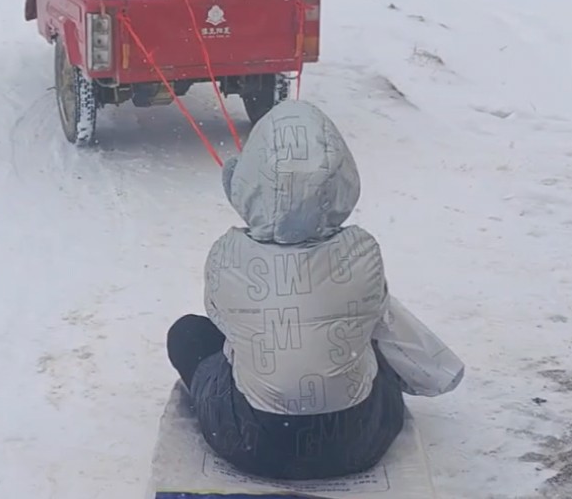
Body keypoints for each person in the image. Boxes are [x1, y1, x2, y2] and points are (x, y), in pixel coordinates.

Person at [166, 99, 464, 480]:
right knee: (365, 336)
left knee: (189, 334)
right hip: (357, 441)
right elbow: (388, 328)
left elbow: (223, 326)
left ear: (249, 182)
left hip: (253, 444)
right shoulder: (362, 252)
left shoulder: (227, 255)